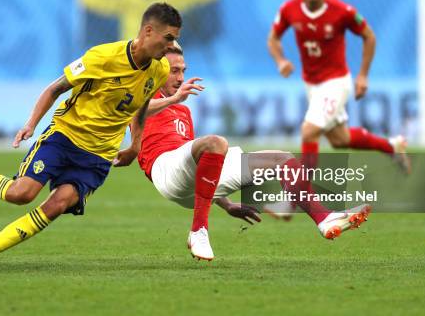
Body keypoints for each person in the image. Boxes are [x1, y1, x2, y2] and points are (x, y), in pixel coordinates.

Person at [0, 2, 181, 273]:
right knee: (21, 193)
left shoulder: (158, 70)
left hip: (98, 156)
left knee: (57, 205)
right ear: (148, 31)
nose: (171, 45)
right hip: (64, 137)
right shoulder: (102, 57)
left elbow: (141, 105)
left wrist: (135, 145)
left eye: (175, 39)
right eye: (168, 38)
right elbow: (55, 89)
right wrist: (31, 124)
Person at [135, 44, 371, 261]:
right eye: (174, 71)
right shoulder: (141, 95)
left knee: (283, 160)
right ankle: (199, 230)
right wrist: (174, 98)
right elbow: (137, 111)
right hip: (164, 170)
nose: (181, 78)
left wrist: (227, 205)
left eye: (183, 70)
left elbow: (202, 166)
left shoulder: (182, 111)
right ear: (157, 70)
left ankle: (324, 219)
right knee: (216, 142)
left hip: (186, 179)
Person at [267, 0, 410, 173]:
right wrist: (281, 61)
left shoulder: (341, 11)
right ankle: (391, 146)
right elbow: (273, 39)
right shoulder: (289, 9)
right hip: (311, 84)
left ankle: (299, 197)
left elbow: (369, 36)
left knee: (309, 132)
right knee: (339, 139)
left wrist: (363, 75)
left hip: (335, 82)